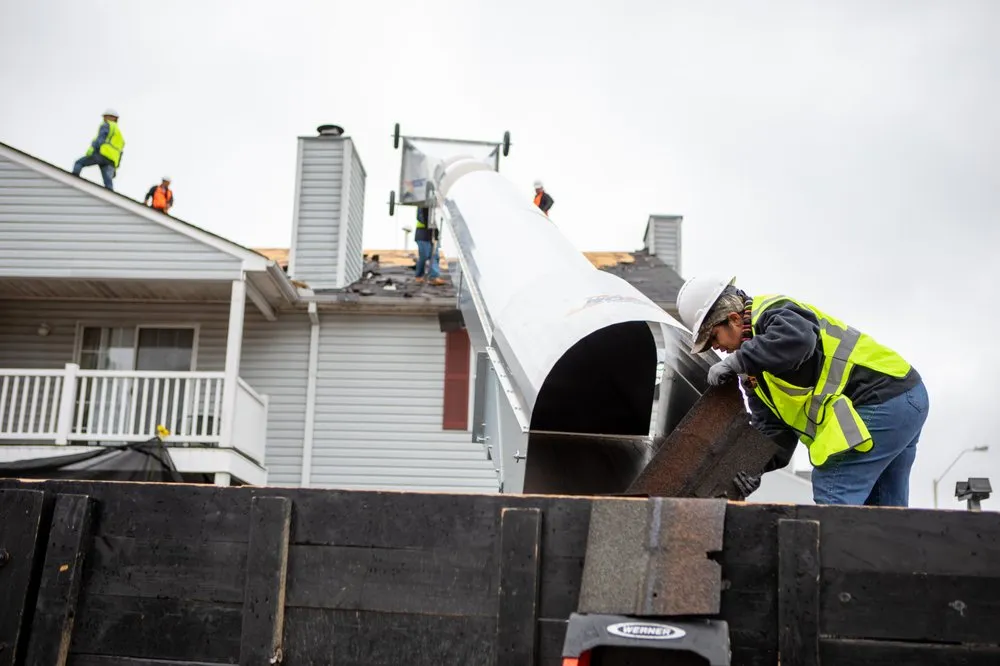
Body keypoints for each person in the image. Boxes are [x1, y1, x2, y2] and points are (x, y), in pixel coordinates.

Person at [676, 276, 929, 507]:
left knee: (833, 493)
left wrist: (737, 362)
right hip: (900, 401)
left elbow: (798, 341)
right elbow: (774, 429)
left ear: (732, 318)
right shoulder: (753, 373)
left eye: (714, 338)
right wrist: (752, 467)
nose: (717, 348)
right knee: (884, 514)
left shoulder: (772, 312)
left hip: (883, 398)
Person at [72, 109, 125, 190]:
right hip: (111, 161)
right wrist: (115, 167)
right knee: (108, 183)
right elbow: (120, 153)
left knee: (79, 163)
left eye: (106, 116)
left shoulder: (106, 125)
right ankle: (110, 198)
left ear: (113, 118)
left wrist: (93, 149)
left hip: (101, 154)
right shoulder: (120, 135)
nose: (104, 119)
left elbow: (100, 139)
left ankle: (72, 182)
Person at [414, 206, 445, 286]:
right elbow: (420, 217)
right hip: (422, 235)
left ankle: (434, 277)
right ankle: (419, 276)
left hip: (433, 235)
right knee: (424, 256)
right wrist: (431, 222)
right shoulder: (423, 204)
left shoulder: (438, 207)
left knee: (435, 255)